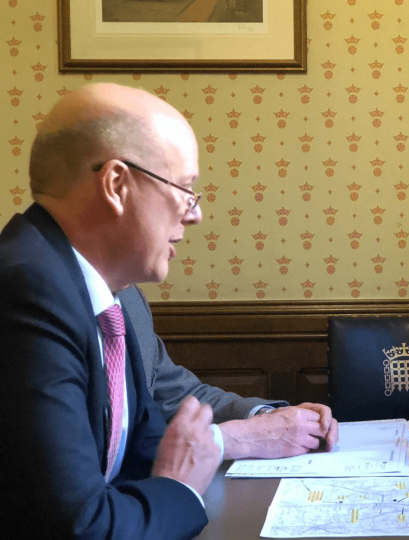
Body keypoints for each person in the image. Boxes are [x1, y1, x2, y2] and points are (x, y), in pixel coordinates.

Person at [0, 83, 222, 539]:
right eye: (184, 188)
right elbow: (84, 528)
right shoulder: (27, 290)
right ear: (117, 184)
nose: (194, 214)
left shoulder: (111, 295)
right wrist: (181, 488)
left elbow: (140, 447)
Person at [121, 284, 339, 459]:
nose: (192, 225)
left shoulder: (130, 299)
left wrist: (267, 417)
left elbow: (176, 394)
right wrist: (236, 439)